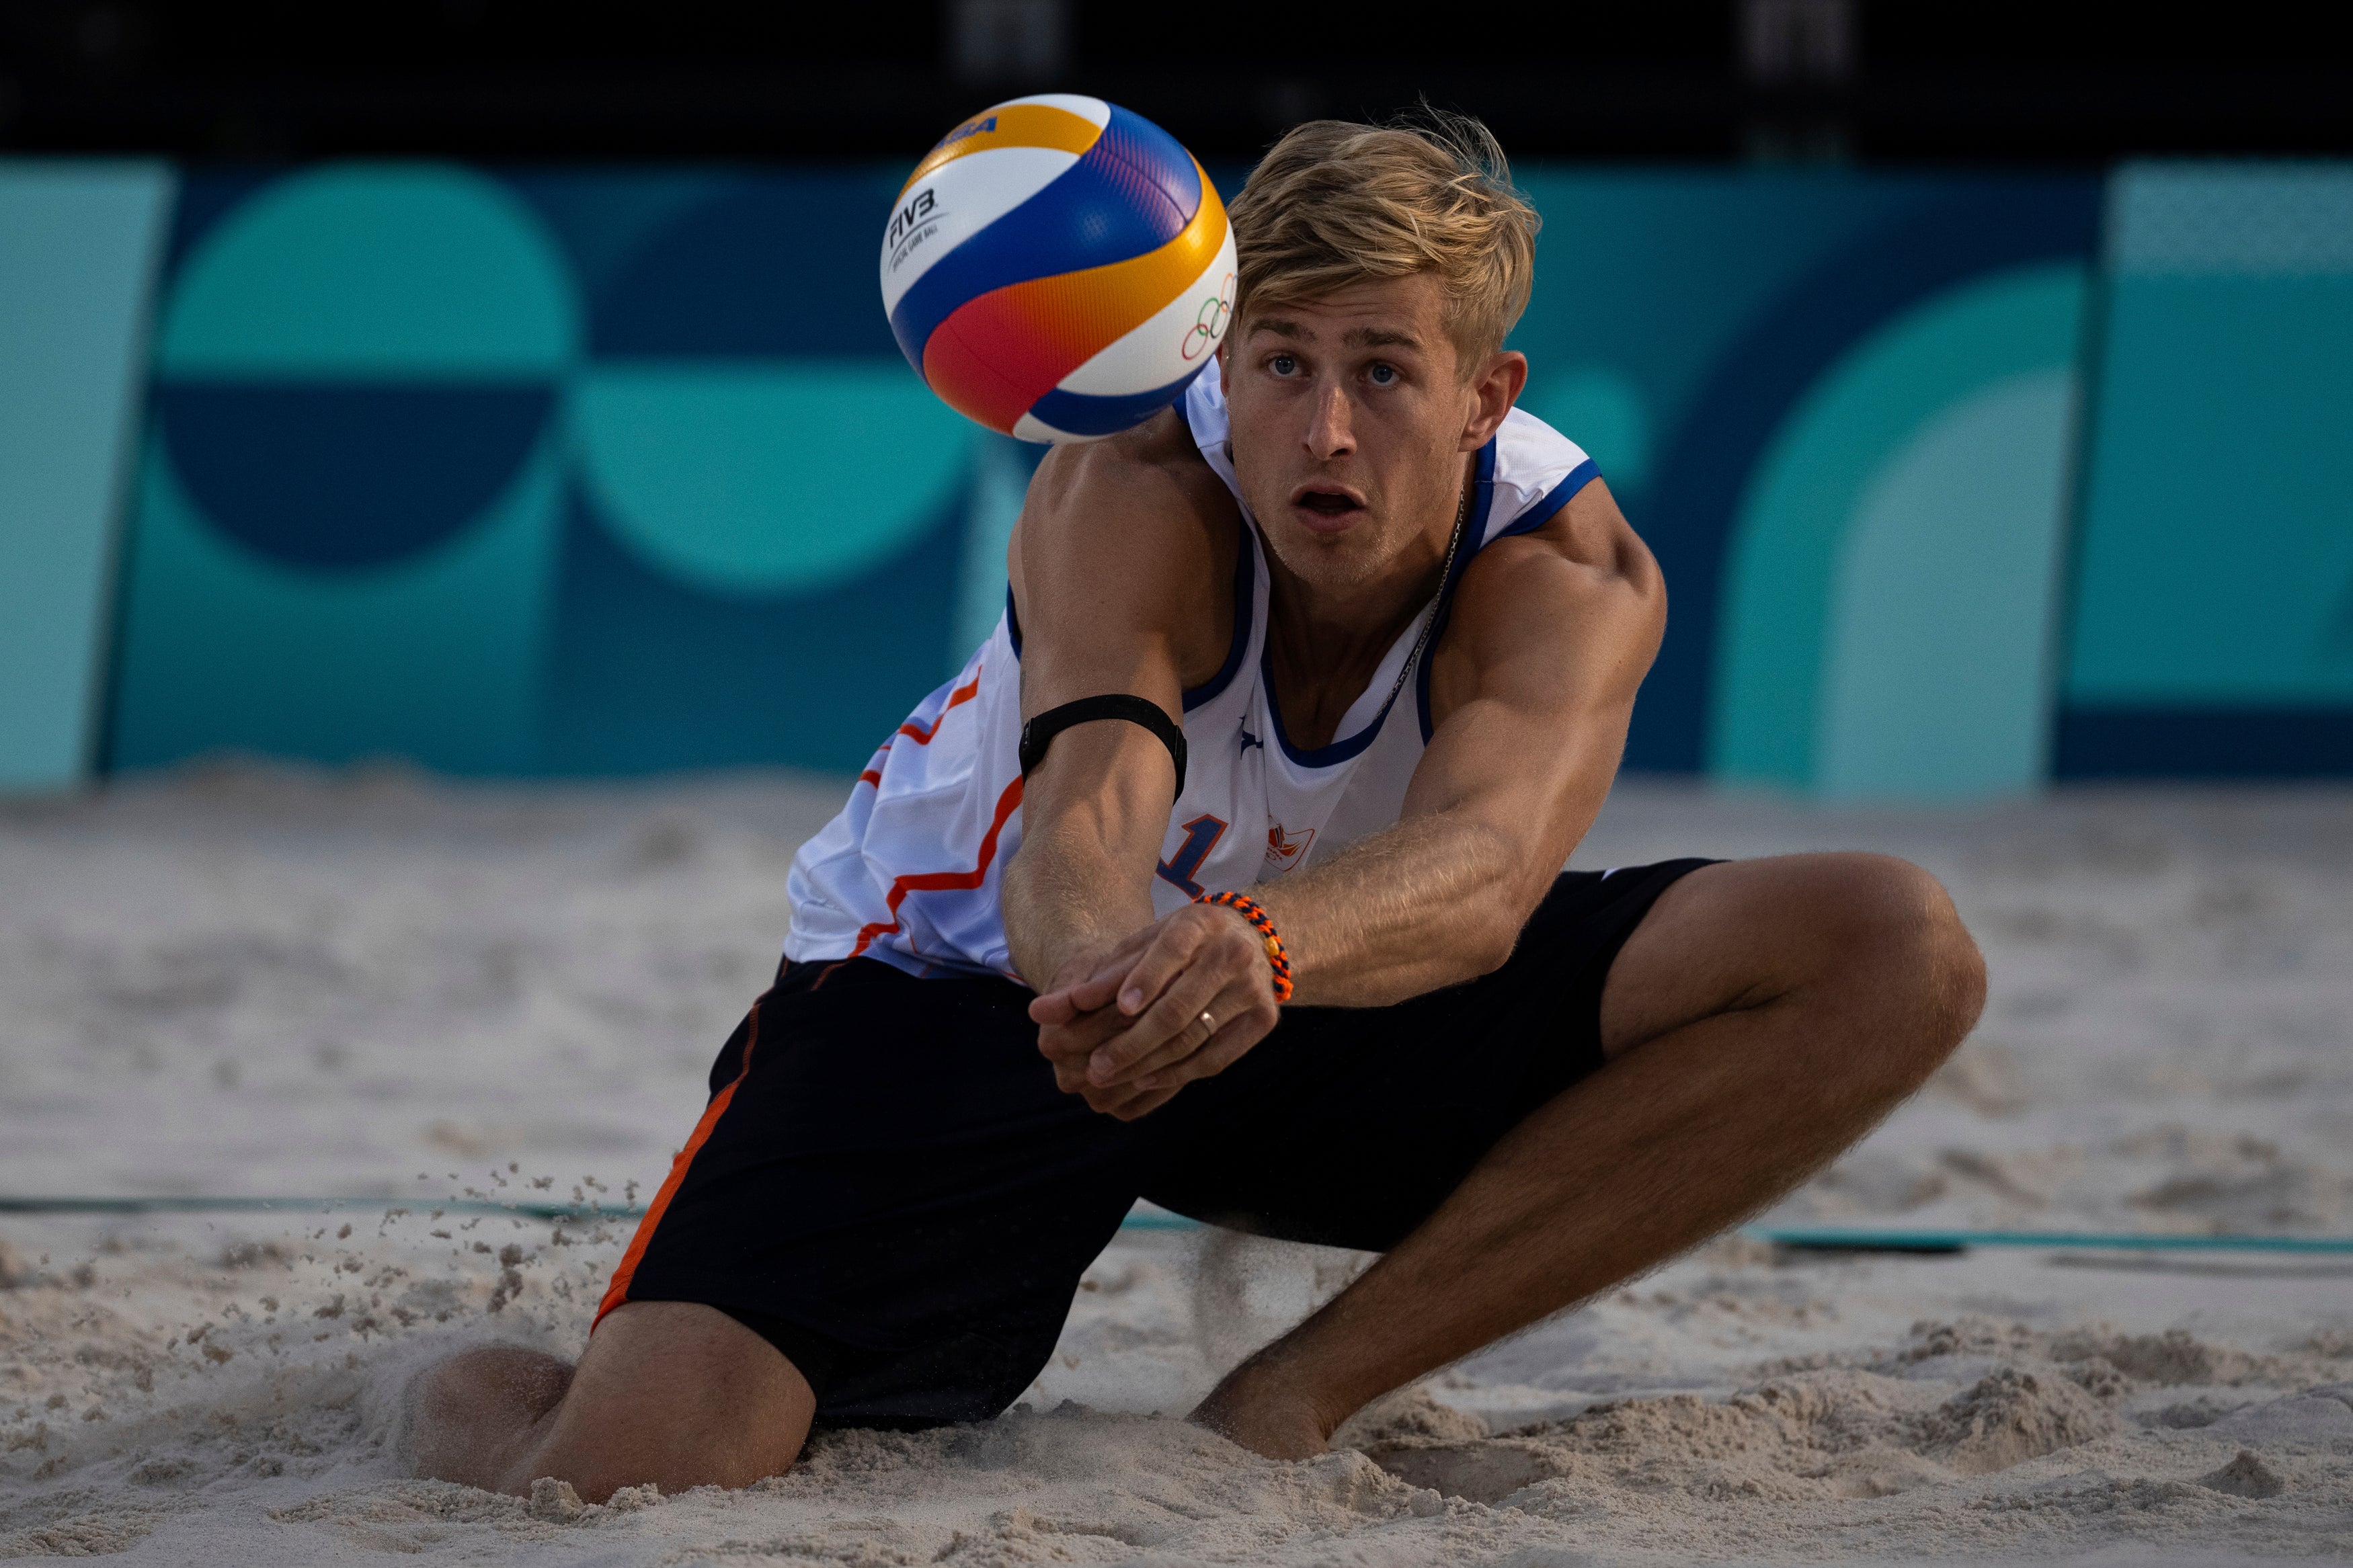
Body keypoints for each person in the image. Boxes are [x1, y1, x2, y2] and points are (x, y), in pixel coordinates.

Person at [405, 111, 1985, 1499]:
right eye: (1281, 363)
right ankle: (460, 1397)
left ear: (1485, 394)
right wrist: (1117, 980)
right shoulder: (1132, 486)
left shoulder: (1564, 567)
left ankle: (1289, 1396)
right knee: (621, 1484)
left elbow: (1488, 873)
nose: (1326, 429)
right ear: (1219, 355)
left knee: (1886, 944)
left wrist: (1254, 949)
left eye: (1382, 371)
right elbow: (1084, 824)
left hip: (1306, 980)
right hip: (965, 996)